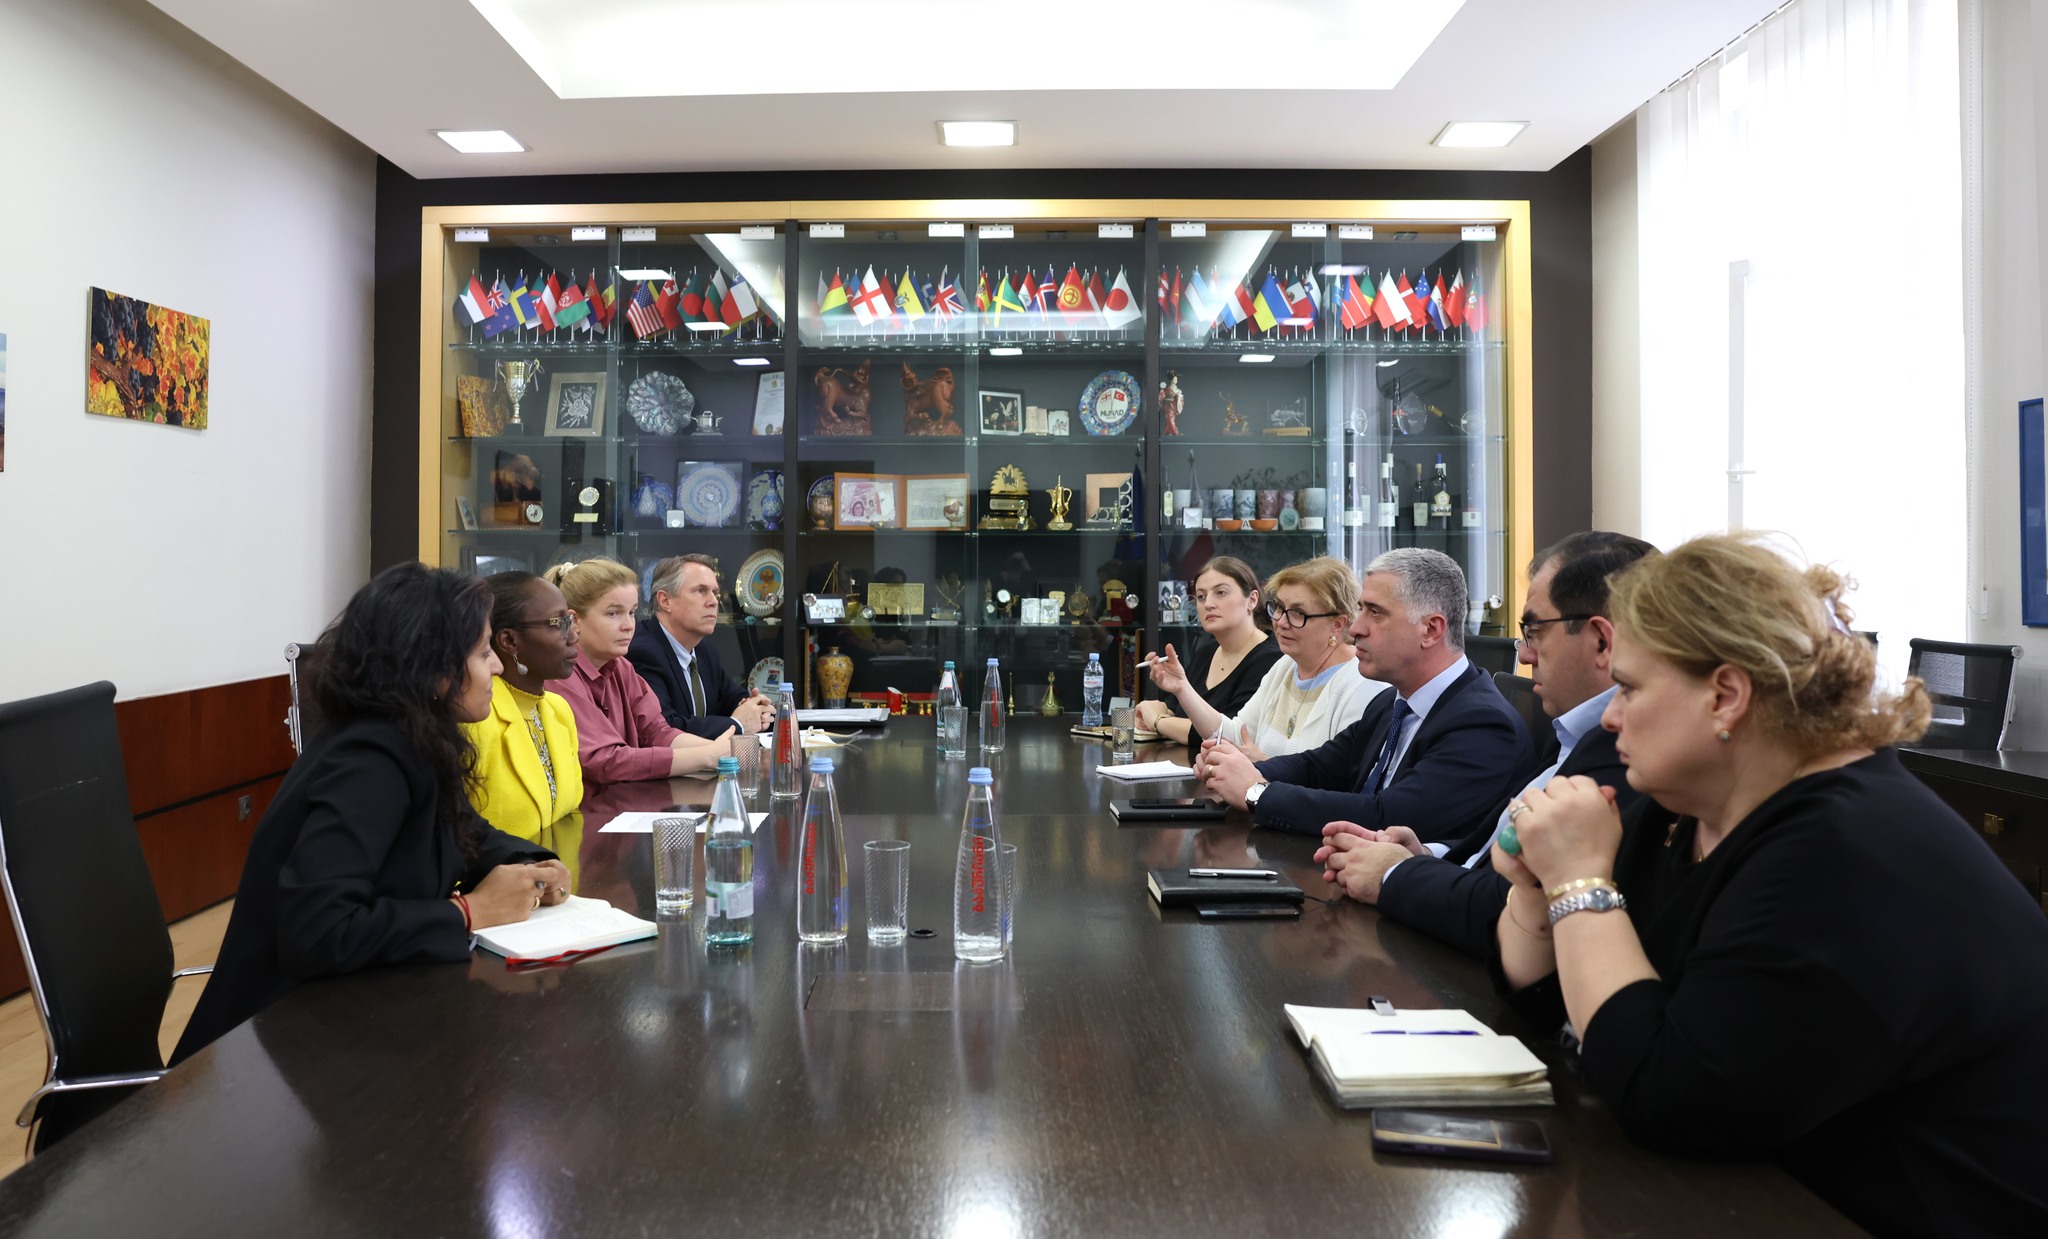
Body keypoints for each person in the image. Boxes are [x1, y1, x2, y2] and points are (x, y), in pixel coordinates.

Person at [1491, 533, 2048, 1235]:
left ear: (1726, 696)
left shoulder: (1845, 850)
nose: (1610, 715)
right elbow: (1554, 1003)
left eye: (1629, 688)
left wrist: (1576, 879)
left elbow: (1668, 1098)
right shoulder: (1683, 807)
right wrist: (1536, 889)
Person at [173, 563, 570, 1063]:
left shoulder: (414, 737)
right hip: (283, 1041)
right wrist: (469, 912)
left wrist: (535, 863)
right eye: (482, 652)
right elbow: (317, 932)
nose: (495, 667)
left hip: (354, 1013)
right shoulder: (368, 761)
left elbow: (466, 832)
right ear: (432, 667)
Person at [1315, 532, 1655, 957]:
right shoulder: (1572, 731)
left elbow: (1507, 905)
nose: (1524, 655)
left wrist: (1395, 873)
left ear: (1602, 642)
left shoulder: (1620, 752)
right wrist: (1428, 855)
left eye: (1534, 631)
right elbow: (1489, 859)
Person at [1197, 548, 1533, 842]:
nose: (1356, 628)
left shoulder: (1483, 725)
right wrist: (1234, 768)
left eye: (1375, 612)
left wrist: (1256, 792)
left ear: (1431, 629)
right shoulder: (1393, 703)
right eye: (1361, 610)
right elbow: (1317, 766)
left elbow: (1386, 817)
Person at [1144, 556, 1380, 760]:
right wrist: (1182, 688)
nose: (1281, 622)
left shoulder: (1361, 683)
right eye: (1279, 608)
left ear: (1337, 624)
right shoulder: (1285, 666)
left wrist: (1263, 765)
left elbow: (1342, 781)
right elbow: (1236, 735)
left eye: (1297, 613)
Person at [544, 557, 726, 783]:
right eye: (613, 613)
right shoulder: (558, 675)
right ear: (574, 621)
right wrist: (707, 756)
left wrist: (723, 752)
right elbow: (605, 761)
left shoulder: (621, 666)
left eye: (631, 613)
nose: (629, 625)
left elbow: (656, 732)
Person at [462, 572, 584, 841]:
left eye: (570, 620)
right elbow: (457, 837)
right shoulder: (475, 719)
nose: (574, 636)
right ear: (509, 641)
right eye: (559, 623)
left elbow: (569, 815)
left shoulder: (558, 710)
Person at [1136, 556, 1282, 750]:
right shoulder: (1207, 651)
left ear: (1252, 600)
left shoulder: (1270, 659)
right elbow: (1175, 708)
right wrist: (1156, 709)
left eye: (1220, 593)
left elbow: (1227, 734)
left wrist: (1157, 721)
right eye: (1201, 596)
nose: (1208, 604)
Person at [628, 554, 774, 739]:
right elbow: (664, 729)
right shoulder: (642, 652)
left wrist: (756, 708)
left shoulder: (704, 651)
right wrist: (737, 724)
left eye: (715, 593)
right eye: (700, 591)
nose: (714, 601)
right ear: (665, 601)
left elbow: (732, 699)